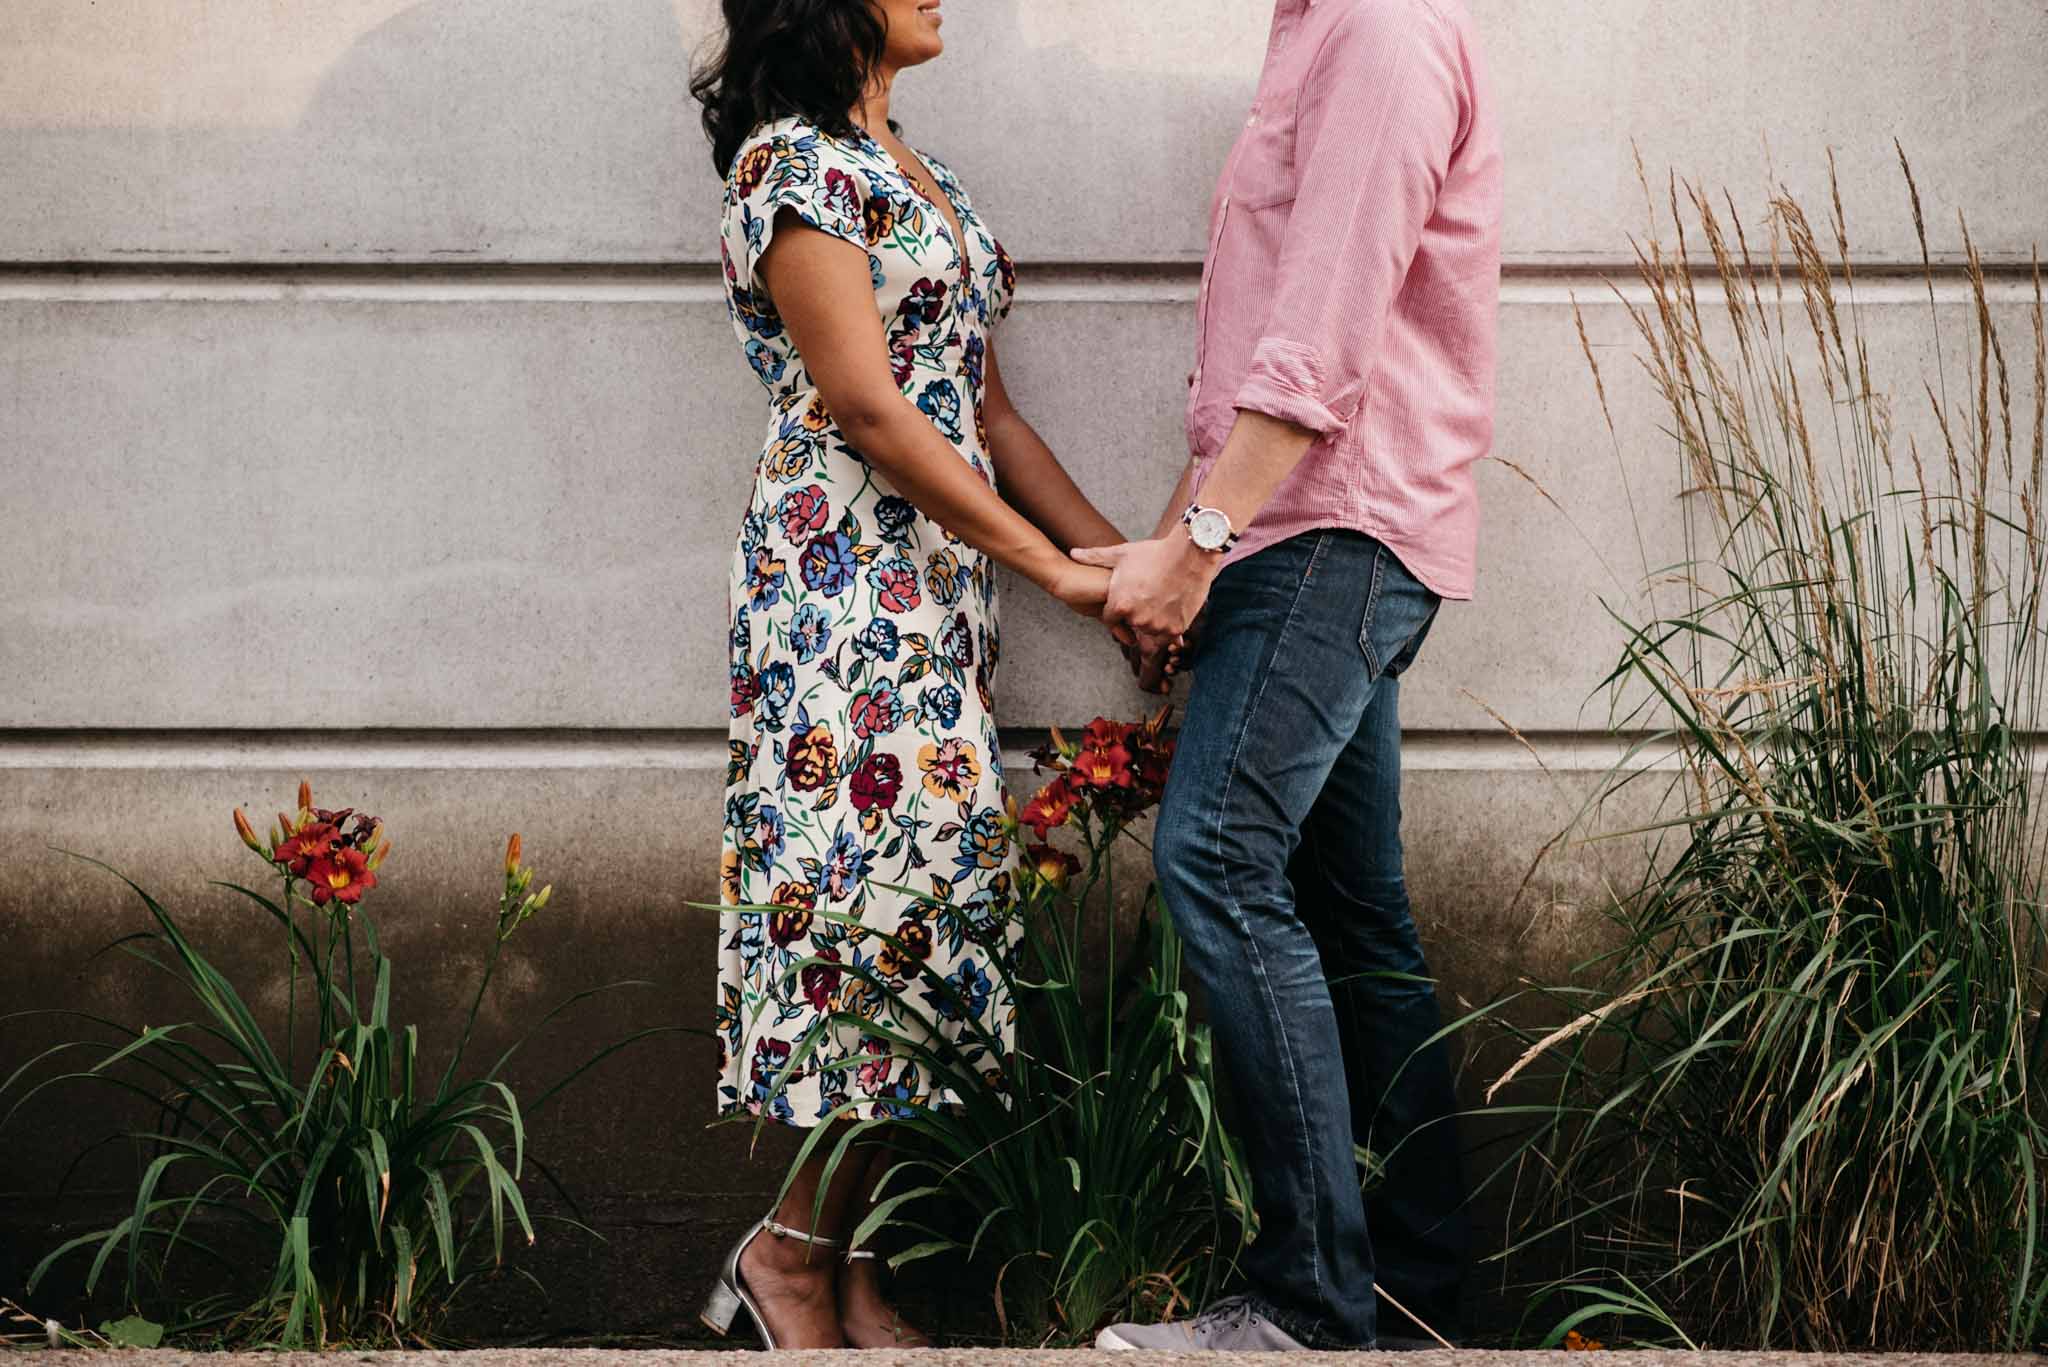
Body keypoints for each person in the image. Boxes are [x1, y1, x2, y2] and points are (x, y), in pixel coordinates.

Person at [690, 0, 1127, 1350]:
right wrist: (1059, 576)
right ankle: (790, 1264)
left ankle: (829, 1262)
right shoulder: (795, 170)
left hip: (939, 606)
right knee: (869, 932)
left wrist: (1122, 570)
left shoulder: (923, 174)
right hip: (841, 603)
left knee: (922, 938)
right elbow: (874, 411)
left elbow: (986, 412)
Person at [1086, 0, 1503, 1352]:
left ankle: (1312, 1306)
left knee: (1215, 857)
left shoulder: (1382, 33)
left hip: (1336, 527)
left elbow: (1321, 333)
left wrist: (1199, 545)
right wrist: (1182, 539)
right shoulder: (1320, 33)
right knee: (1352, 908)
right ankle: (1419, 1300)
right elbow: (1255, 354)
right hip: (1299, 524)